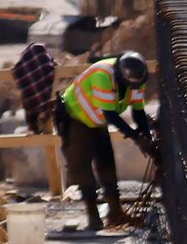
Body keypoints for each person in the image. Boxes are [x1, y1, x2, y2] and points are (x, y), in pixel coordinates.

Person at [60, 50, 155, 232]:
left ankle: (115, 213)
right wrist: (135, 137)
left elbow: (138, 112)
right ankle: (93, 217)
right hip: (76, 117)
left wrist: (146, 136)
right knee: (81, 166)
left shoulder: (136, 80)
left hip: (97, 119)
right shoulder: (103, 75)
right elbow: (111, 115)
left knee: (106, 162)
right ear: (121, 76)